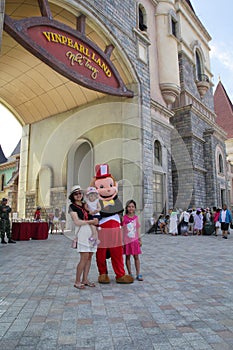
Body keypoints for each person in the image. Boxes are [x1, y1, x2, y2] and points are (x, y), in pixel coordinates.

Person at [69, 185, 99, 289]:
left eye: (80, 193)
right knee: (84, 257)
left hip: (91, 231)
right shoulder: (72, 207)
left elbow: (92, 214)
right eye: (76, 194)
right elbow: (77, 221)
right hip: (82, 232)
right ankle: (77, 281)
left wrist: (94, 221)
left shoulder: (85, 204)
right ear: (72, 196)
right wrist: (91, 221)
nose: (78, 195)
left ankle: (85, 279)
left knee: (90, 256)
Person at [123, 200, 143, 281]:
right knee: (127, 257)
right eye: (129, 207)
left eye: (132, 207)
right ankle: (130, 273)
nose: (131, 208)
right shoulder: (124, 218)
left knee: (136, 257)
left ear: (135, 208)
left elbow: (138, 229)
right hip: (127, 240)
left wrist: (139, 239)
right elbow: (122, 230)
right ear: (127, 208)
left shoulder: (136, 218)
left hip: (134, 241)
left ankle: (138, 273)